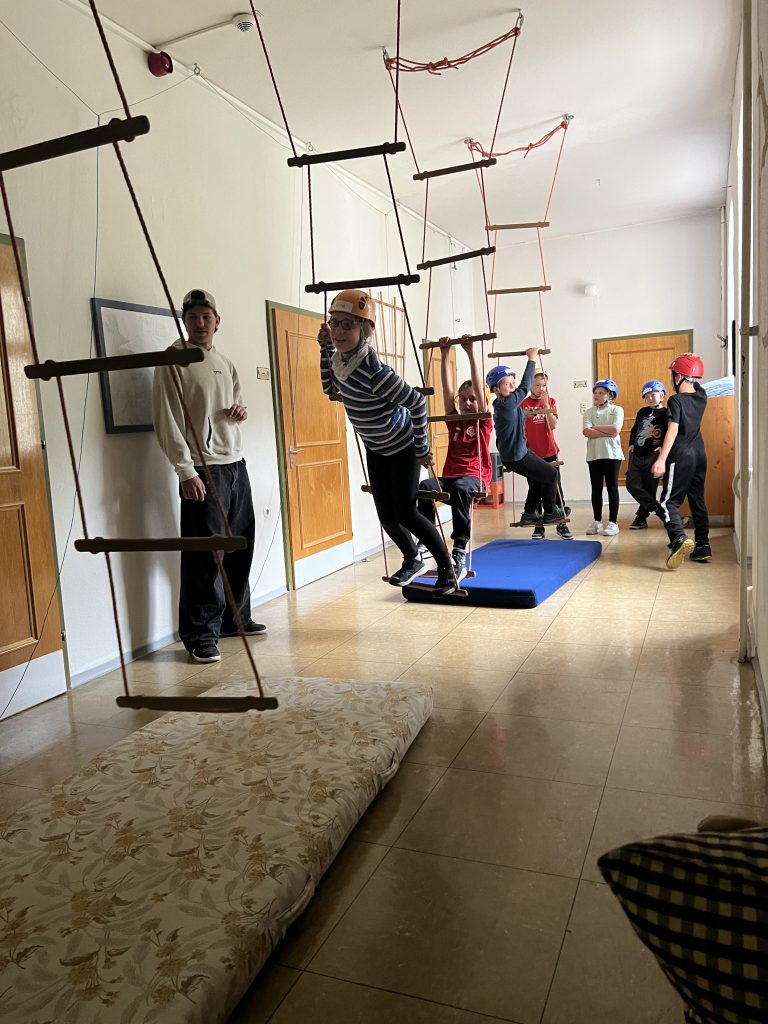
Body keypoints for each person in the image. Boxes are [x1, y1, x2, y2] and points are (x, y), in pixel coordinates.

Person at [317, 289, 457, 597]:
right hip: (376, 448)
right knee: (386, 516)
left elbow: (417, 403)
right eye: (334, 323)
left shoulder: (374, 372)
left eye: (347, 324)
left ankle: (447, 569)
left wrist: (421, 447)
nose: (338, 331)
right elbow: (330, 389)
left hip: (402, 447)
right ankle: (413, 559)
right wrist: (323, 350)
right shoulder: (340, 361)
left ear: (365, 329)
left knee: (406, 513)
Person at [152, 288, 266, 664]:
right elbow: (165, 418)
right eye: (192, 317)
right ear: (184, 321)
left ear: (217, 321)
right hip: (203, 469)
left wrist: (239, 411)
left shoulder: (225, 362)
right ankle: (200, 636)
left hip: (235, 465)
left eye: (206, 317)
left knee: (239, 546)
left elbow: (234, 404)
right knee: (204, 556)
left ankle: (235, 619)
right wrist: (185, 470)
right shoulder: (173, 360)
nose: (200, 323)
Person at [416, 336, 492, 581]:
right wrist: (445, 352)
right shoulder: (455, 420)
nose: (467, 403)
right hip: (451, 477)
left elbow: (479, 388)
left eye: (473, 399)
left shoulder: (482, 421)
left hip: (475, 478)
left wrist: (470, 352)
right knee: (425, 487)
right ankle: (427, 540)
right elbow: (446, 391)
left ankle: (459, 548)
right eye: (464, 399)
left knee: (460, 487)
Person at [487, 350, 564, 527]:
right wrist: (532, 358)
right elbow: (525, 386)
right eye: (507, 384)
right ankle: (550, 512)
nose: (513, 386)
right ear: (496, 389)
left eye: (513, 383)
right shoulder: (508, 403)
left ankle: (529, 513)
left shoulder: (505, 404)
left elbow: (517, 414)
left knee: (538, 479)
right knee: (551, 474)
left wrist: (527, 414)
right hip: (517, 455)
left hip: (517, 454)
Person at [651, 353, 711, 569]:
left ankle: (678, 538)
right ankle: (703, 546)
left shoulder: (675, 400)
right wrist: (693, 364)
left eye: (673, 375)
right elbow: (698, 383)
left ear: (679, 377)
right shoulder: (701, 396)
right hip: (700, 455)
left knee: (668, 502)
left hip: (681, 455)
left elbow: (673, 429)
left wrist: (661, 459)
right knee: (697, 500)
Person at [520, 371, 573, 539]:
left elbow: (553, 424)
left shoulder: (551, 401)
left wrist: (545, 404)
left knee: (556, 488)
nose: (541, 389)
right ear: (530, 385)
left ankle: (561, 523)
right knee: (535, 489)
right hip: (531, 454)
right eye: (537, 385)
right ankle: (538, 526)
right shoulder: (523, 403)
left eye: (544, 385)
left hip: (549, 451)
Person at [582, 379, 624, 536]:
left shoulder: (617, 410)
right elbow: (586, 432)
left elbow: (615, 430)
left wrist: (595, 427)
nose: (597, 395)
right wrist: (605, 430)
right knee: (596, 488)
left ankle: (613, 522)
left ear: (610, 395)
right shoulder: (589, 412)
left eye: (601, 393)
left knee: (612, 487)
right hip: (594, 455)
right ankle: (597, 521)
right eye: (595, 393)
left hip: (612, 455)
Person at [626, 379, 669, 530]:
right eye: (647, 396)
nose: (650, 398)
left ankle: (641, 517)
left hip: (653, 455)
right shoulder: (642, 412)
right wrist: (631, 443)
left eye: (653, 395)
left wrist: (663, 447)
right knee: (632, 485)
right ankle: (658, 509)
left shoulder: (666, 413)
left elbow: (669, 432)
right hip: (637, 455)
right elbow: (634, 429)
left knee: (649, 487)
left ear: (662, 395)